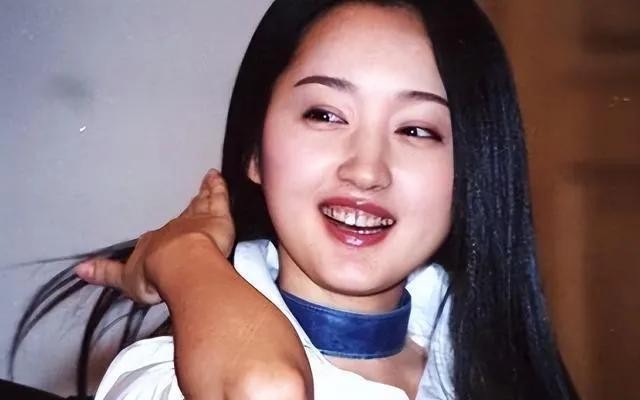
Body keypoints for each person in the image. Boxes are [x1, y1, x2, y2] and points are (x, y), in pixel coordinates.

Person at [11, 0, 580, 399]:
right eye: (325, 115)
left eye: (416, 129)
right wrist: (182, 256)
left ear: (475, 169)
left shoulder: (489, 369)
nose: (366, 170)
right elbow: (264, 389)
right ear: (255, 152)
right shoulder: (169, 379)